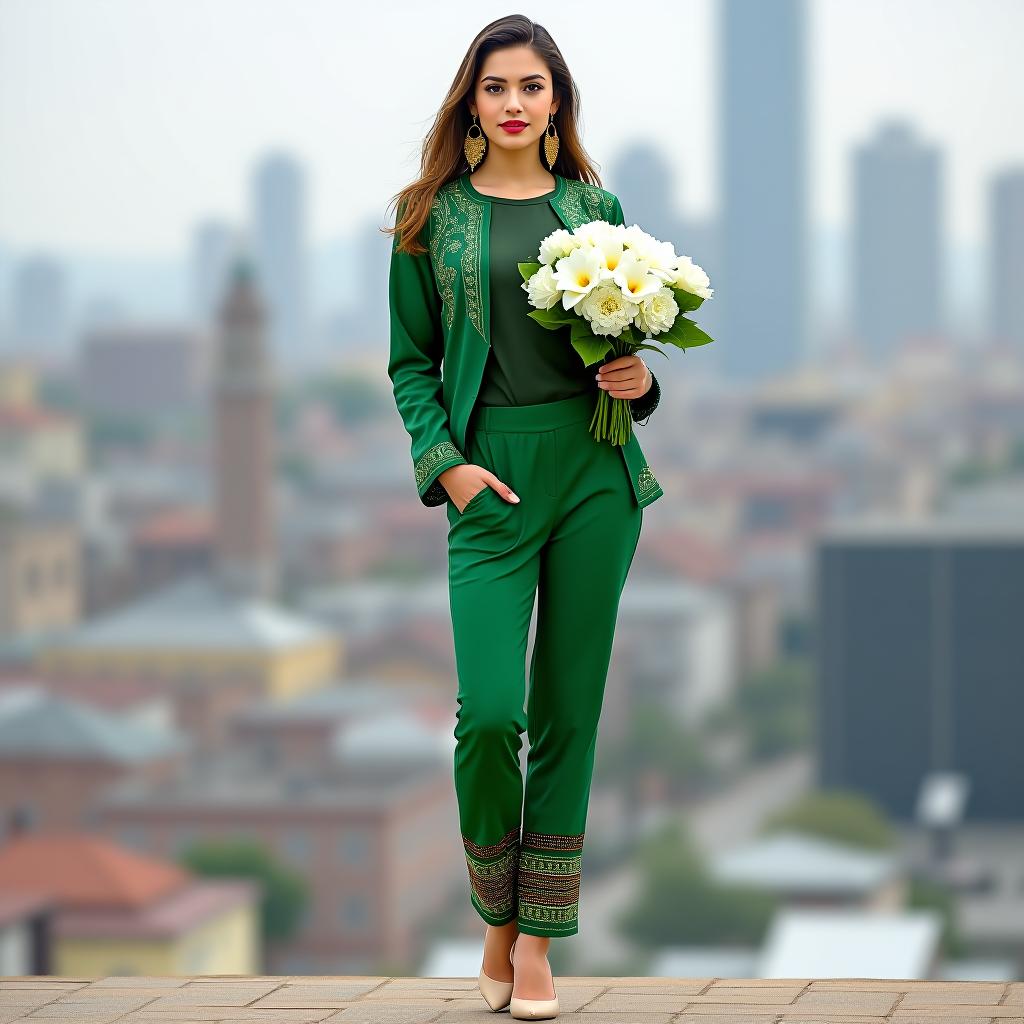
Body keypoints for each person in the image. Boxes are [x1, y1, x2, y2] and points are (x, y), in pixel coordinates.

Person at [385, 15, 663, 1020]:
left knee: (567, 711)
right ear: (472, 102)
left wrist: (636, 382)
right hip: (489, 479)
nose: (513, 103)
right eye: (495, 87)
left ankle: (534, 936)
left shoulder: (597, 205)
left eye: (532, 88)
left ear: (556, 104)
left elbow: (624, 354)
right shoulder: (430, 216)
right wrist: (447, 468)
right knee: (491, 713)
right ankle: (491, 912)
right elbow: (410, 364)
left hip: (594, 472)